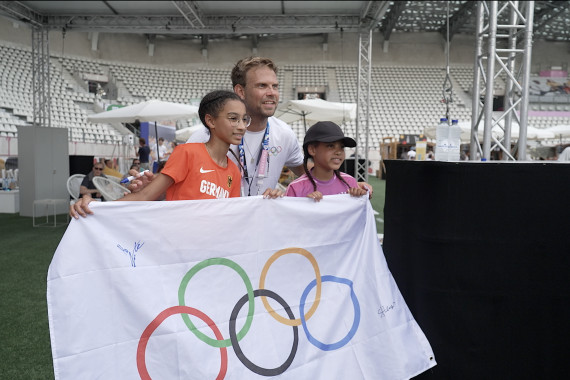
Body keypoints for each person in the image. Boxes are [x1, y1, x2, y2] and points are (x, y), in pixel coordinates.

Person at [71, 90, 281, 219]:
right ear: (211, 121)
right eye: (233, 118)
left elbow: (233, 216)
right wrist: (96, 207)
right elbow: (145, 195)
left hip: (212, 252)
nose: (242, 126)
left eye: (245, 119)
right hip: (176, 249)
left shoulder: (234, 171)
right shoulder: (187, 153)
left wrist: (268, 201)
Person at [188, 56, 305, 196]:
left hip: (262, 217)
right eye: (262, 86)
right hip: (221, 216)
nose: (271, 93)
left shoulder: (284, 133)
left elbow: (309, 176)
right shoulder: (208, 136)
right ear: (240, 92)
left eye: (275, 86)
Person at [285, 121, 368, 202]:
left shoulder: (350, 182)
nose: (338, 152)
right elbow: (288, 214)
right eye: (331, 146)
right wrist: (305, 204)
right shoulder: (295, 188)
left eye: (342, 147)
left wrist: (359, 196)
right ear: (312, 150)